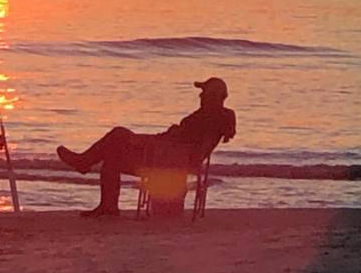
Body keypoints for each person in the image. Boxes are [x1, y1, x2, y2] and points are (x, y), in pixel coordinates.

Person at [57, 77, 236, 217]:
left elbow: (177, 142)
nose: (200, 95)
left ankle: (85, 165)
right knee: (113, 154)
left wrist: (145, 141)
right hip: (168, 154)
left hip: (164, 159)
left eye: (204, 92)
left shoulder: (207, 118)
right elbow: (184, 140)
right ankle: (105, 203)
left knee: (118, 135)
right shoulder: (219, 117)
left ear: (213, 95)